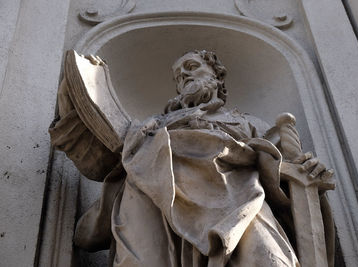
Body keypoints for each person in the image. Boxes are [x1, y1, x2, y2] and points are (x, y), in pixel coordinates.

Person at [49, 50, 334, 266]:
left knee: (267, 258)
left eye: (192, 67)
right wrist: (80, 98)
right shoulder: (153, 124)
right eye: (178, 75)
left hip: (240, 199)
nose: (184, 76)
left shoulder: (248, 123)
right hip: (154, 196)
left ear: (216, 75)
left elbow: (284, 172)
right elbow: (110, 155)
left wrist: (306, 169)